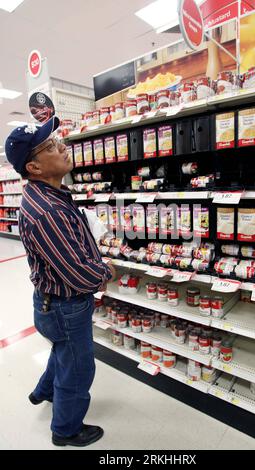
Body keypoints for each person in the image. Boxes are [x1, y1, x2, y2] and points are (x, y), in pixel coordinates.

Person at [5, 116, 116, 447]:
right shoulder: (48, 210)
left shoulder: (47, 194)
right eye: (52, 146)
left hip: (50, 302)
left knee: (63, 351)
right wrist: (107, 273)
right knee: (79, 369)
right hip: (65, 305)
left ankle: (43, 392)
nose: (62, 147)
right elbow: (76, 273)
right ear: (35, 167)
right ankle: (66, 430)